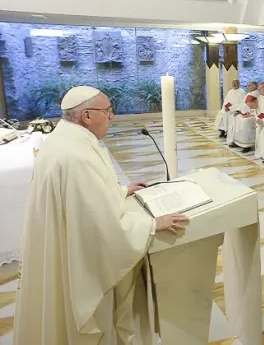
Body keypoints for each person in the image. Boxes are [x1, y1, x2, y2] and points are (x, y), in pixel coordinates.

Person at [14, 86, 189, 345]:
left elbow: (83, 199)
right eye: (107, 111)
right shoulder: (75, 155)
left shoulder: (68, 141)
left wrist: (121, 191)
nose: (112, 116)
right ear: (86, 116)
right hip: (79, 265)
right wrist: (152, 225)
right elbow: (100, 223)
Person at [227, 81, 259, 151]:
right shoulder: (248, 94)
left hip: (252, 114)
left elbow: (256, 106)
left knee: (245, 122)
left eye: (250, 85)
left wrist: (250, 113)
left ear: (255, 86)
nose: (248, 87)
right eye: (248, 85)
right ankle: (236, 141)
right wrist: (238, 111)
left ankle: (247, 145)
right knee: (234, 117)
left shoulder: (257, 94)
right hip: (242, 113)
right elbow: (241, 104)